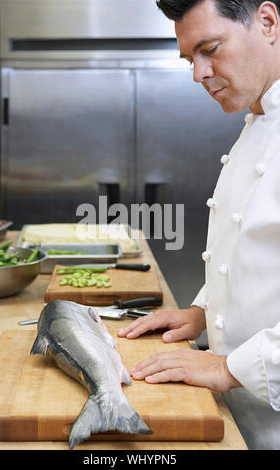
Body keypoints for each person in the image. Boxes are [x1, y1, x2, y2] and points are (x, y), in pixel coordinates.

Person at [118, 0, 280, 450]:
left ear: (267, 23)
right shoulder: (259, 121)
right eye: (191, 59)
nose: (199, 74)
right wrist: (203, 313)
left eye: (211, 49)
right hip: (239, 418)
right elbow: (255, 250)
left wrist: (226, 369)